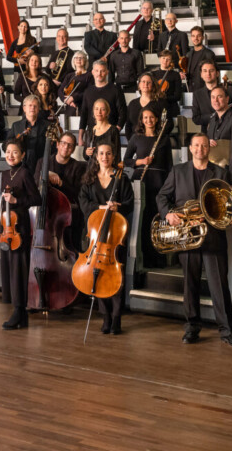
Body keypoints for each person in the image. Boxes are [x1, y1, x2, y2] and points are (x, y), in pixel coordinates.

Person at [157, 133, 232, 347]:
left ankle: (227, 331)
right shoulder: (178, 171)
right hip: (187, 237)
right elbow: (162, 197)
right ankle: (192, 328)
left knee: (219, 286)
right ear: (190, 148)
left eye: (204, 145)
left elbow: (228, 202)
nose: (200, 149)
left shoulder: (220, 172)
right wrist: (168, 214)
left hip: (213, 236)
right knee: (190, 284)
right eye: (196, 145)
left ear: (208, 149)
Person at [78, 143, 134, 335]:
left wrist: (117, 207)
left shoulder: (122, 179)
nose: (104, 156)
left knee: (116, 276)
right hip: (95, 236)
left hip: (115, 235)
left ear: (113, 156)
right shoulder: (89, 179)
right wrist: (102, 208)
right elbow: (84, 203)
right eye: (101, 153)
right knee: (97, 273)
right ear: (96, 156)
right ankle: (105, 316)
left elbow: (129, 203)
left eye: (108, 153)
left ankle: (117, 317)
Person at [0, 141, 40, 330]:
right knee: (10, 270)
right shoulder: (5, 174)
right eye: (8, 152)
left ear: (22, 155)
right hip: (6, 228)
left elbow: (36, 198)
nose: (11, 155)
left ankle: (19, 310)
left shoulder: (24, 173)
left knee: (19, 271)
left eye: (15, 152)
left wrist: (16, 200)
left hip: (20, 228)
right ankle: (20, 314)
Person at [126, 107, 173, 270]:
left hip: (159, 183)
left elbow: (169, 166)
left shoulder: (164, 139)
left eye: (151, 117)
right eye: (145, 117)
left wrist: (169, 187)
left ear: (157, 119)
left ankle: (159, 259)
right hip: (141, 181)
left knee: (158, 221)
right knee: (144, 221)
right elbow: (125, 161)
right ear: (141, 120)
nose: (148, 120)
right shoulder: (136, 138)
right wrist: (140, 162)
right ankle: (144, 259)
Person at [46, 131, 87, 253]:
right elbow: (35, 186)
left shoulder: (79, 167)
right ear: (57, 144)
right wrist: (45, 176)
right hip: (48, 212)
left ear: (74, 149)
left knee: (71, 247)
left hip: (68, 213)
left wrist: (61, 183)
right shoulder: (43, 162)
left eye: (70, 145)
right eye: (63, 143)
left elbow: (79, 192)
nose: (66, 147)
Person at [205, 85, 232, 189]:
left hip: (227, 174)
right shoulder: (212, 120)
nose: (216, 100)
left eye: (219, 97)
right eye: (213, 97)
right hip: (212, 174)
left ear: (227, 99)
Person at [78, 62, 125, 129]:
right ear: (92, 72)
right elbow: (84, 115)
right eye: (97, 71)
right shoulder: (87, 91)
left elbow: (123, 113)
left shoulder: (116, 90)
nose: (99, 74)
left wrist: (115, 131)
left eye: (102, 71)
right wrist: (80, 136)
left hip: (110, 134)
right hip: (92, 134)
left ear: (107, 72)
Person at [191, 62, 232, 130]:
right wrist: (214, 116)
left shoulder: (229, 90)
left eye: (211, 70)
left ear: (217, 73)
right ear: (201, 74)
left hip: (228, 132)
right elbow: (196, 118)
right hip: (207, 135)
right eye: (205, 71)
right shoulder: (197, 94)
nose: (208, 74)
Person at [7, 96, 47, 172]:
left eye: (35, 106)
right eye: (30, 105)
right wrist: (17, 140)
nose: (32, 108)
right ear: (24, 108)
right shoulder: (16, 126)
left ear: (38, 109)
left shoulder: (47, 125)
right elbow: (5, 145)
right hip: (21, 165)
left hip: (41, 165)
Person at [84, 99, 121, 165]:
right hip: (92, 169)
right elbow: (85, 156)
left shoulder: (113, 130)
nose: (99, 112)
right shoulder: (89, 130)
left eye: (103, 109)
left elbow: (117, 156)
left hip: (108, 169)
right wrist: (87, 153)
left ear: (107, 112)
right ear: (93, 111)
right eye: (96, 109)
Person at [126, 74, 163, 139]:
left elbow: (165, 124)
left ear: (153, 85)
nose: (146, 84)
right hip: (135, 141)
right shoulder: (132, 103)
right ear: (139, 85)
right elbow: (128, 125)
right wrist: (131, 141)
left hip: (153, 140)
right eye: (143, 82)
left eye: (148, 82)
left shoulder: (159, 103)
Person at [149, 50, 184, 118]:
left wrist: (163, 97)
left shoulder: (176, 75)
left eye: (168, 59)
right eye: (163, 58)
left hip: (171, 107)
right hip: (157, 107)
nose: (165, 61)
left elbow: (177, 96)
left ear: (171, 61)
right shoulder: (153, 74)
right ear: (159, 59)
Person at [185, 28, 218, 93]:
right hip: (190, 88)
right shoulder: (188, 54)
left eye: (198, 36)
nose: (196, 38)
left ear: (202, 37)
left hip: (204, 89)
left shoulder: (209, 54)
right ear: (191, 37)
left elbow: (213, 73)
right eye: (193, 36)